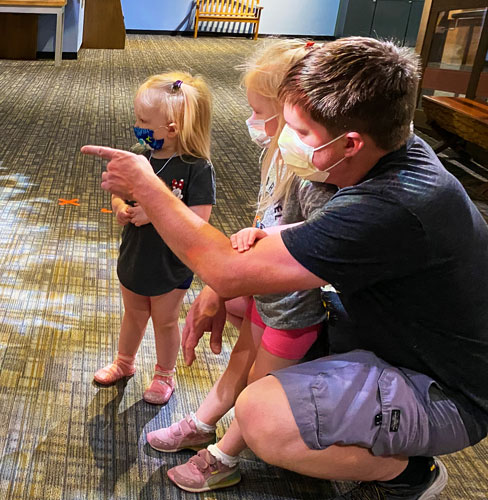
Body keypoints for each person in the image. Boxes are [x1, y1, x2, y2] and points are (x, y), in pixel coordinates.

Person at [82, 37, 488, 499]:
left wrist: (146, 187)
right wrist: (220, 287)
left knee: (260, 416)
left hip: (446, 393)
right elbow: (256, 257)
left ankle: (407, 473)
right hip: (390, 338)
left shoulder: (389, 205)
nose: (285, 141)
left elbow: (230, 269)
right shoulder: (392, 151)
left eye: (299, 130)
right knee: (242, 301)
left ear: (351, 142)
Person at [143, 40, 337, 493]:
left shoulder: (312, 174)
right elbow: (264, 215)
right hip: (263, 293)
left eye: (259, 111)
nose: (252, 121)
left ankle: (223, 456)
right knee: (238, 363)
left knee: (257, 384)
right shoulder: (276, 154)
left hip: (293, 310)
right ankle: (203, 422)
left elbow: (315, 238)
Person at [92, 72, 215, 406]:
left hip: (170, 265)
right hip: (135, 256)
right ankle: (124, 362)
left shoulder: (196, 167)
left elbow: (199, 221)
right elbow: (119, 193)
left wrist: (158, 211)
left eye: (144, 120)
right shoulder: (139, 156)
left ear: (172, 128)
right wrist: (119, 207)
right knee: (132, 315)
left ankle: (164, 374)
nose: (138, 126)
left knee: (164, 321)